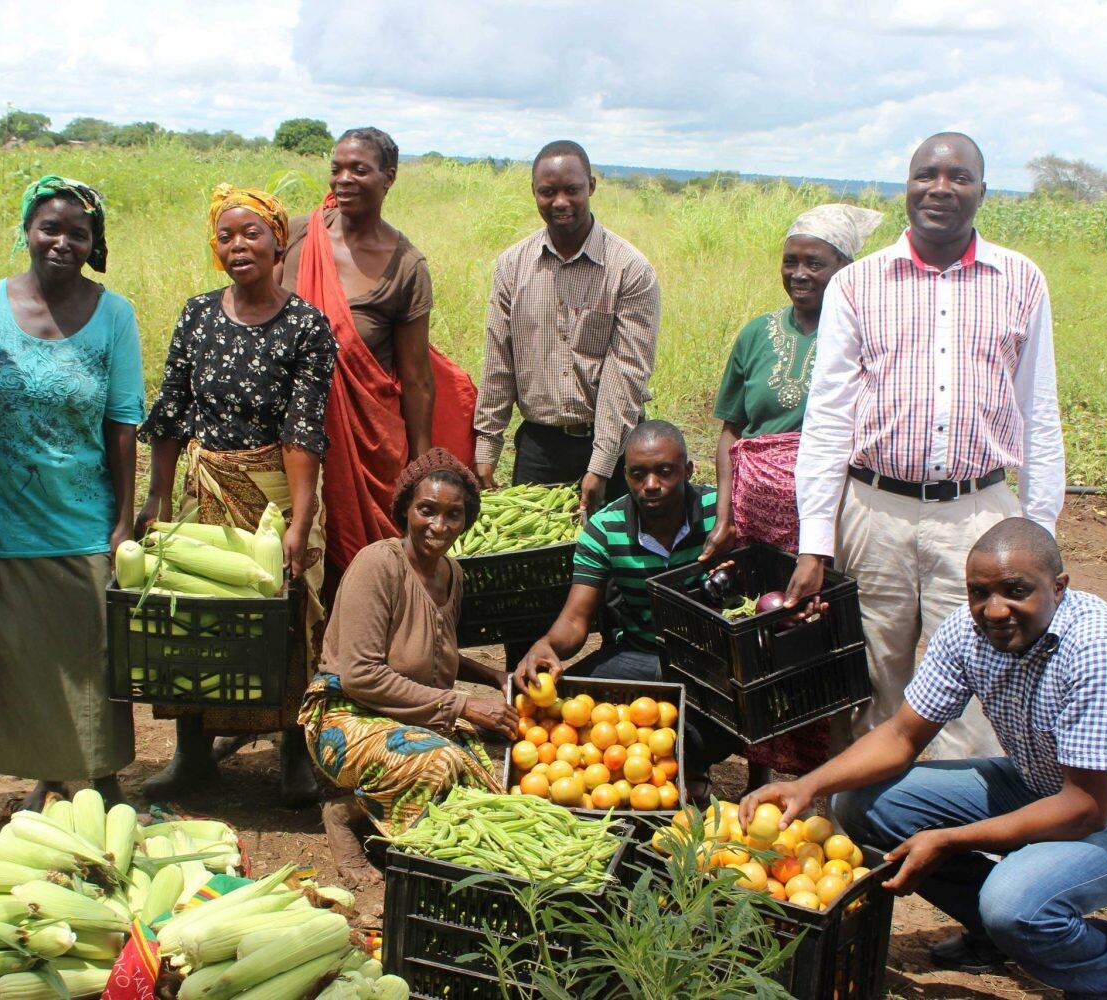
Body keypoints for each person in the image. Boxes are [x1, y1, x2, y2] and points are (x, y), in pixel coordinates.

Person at [742, 519, 1107, 1000]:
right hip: (1038, 786)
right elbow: (900, 735)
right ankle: (994, 934)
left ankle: (1105, 968)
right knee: (860, 804)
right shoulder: (967, 631)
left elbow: (1084, 808)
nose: (995, 610)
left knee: (1013, 902)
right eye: (980, 592)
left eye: (1016, 591)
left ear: (1058, 588)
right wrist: (807, 786)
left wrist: (950, 840)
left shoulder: (1098, 651)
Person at [788, 132, 1065, 760]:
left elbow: (1038, 411)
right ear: (906, 186)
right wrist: (814, 541)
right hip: (874, 510)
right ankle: (861, 839)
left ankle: (954, 842)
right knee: (871, 679)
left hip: (978, 513)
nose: (941, 188)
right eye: (927, 175)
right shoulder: (858, 284)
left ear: (982, 192)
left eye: (959, 177)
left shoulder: (1020, 280)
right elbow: (828, 415)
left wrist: (1040, 528)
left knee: (978, 681)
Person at [135, 185, 336, 804]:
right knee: (194, 618)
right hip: (206, 491)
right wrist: (157, 497)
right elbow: (171, 412)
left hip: (277, 492)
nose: (238, 245)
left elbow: (303, 429)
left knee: (288, 613)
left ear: (280, 240)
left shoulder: (306, 325)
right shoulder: (197, 315)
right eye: (226, 236)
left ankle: (295, 755)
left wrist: (300, 523)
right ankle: (192, 753)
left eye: (252, 233)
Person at [0, 176, 144, 813]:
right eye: (49, 227)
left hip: (84, 520)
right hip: (6, 519)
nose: (62, 240)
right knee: (27, 658)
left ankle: (101, 775)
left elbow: (123, 423)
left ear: (94, 243)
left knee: (94, 656)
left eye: (78, 232)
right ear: (27, 231)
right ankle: (48, 772)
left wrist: (123, 522)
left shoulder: (113, 314)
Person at [701, 203, 884, 787]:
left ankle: (818, 773)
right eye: (791, 262)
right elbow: (732, 428)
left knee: (815, 637)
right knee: (759, 638)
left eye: (816, 263)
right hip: (756, 518)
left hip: (825, 518)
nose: (800, 273)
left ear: (845, 268)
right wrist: (725, 515)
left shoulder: (864, 333)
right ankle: (762, 765)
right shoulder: (757, 333)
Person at [300, 449, 518, 886]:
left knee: (483, 784)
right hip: (344, 715)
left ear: (466, 520)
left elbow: (432, 650)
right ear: (405, 511)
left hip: (411, 715)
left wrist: (494, 677)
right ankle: (344, 814)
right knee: (437, 764)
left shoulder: (451, 573)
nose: (439, 526)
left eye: (453, 515)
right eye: (427, 511)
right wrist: (462, 705)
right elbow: (361, 675)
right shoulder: (379, 565)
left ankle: (393, 820)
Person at [281, 128, 478, 588]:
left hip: (368, 441)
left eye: (359, 170)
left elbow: (416, 376)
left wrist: (421, 460)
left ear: (389, 178)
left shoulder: (406, 265)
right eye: (337, 169)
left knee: (365, 565)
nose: (344, 179)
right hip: (290, 434)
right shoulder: (296, 235)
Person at [514, 420, 739, 795]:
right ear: (625, 475)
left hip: (710, 659)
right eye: (638, 474)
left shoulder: (721, 514)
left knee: (721, 709)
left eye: (664, 471)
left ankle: (692, 762)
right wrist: (546, 646)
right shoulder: (605, 528)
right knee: (569, 698)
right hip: (641, 653)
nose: (651, 485)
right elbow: (575, 619)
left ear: (687, 470)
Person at [474, 140, 660, 519]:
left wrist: (601, 465)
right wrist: (486, 449)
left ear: (590, 186)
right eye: (548, 191)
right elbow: (499, 361)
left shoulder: (629, 269)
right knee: (537, 561)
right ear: (534, 193)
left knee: (612, 560)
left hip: (614, 442)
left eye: (571, 190)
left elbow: (626, 372)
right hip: (539, 445)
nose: (560, 201)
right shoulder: (512, 266)